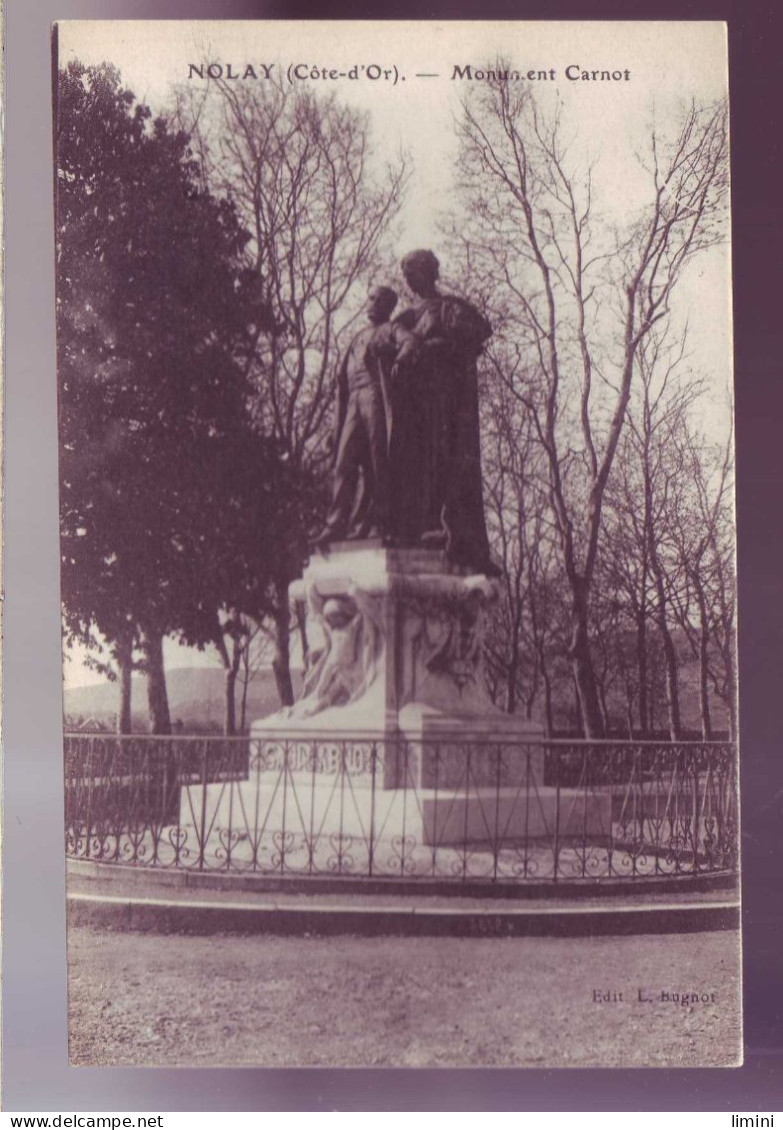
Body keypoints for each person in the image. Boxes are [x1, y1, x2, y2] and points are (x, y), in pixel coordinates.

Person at [390, 249, 498, 575]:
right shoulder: (406, 318)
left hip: (446, 405)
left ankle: (446, 531)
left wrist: (440, 347)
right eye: (406, 276)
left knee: (445, 464)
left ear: (429, 273)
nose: (410, 282)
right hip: (416, 405)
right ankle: (418, 526)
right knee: (415, 467)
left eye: (414, 274)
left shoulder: (451, 308)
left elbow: (478, 334)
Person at [314, 286, 401, 545]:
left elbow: (411, 343)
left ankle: (380, 523)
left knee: (378, 462)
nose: (370, 302)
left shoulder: (392, 330)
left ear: (388, 305)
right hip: (353, 399)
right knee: (343, 463)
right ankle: (336, 524)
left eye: (377, 299)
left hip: (375, 396)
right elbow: (341, 382)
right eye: (370, 297)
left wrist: (396, 358)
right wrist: (335, 426)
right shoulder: (357, 336)